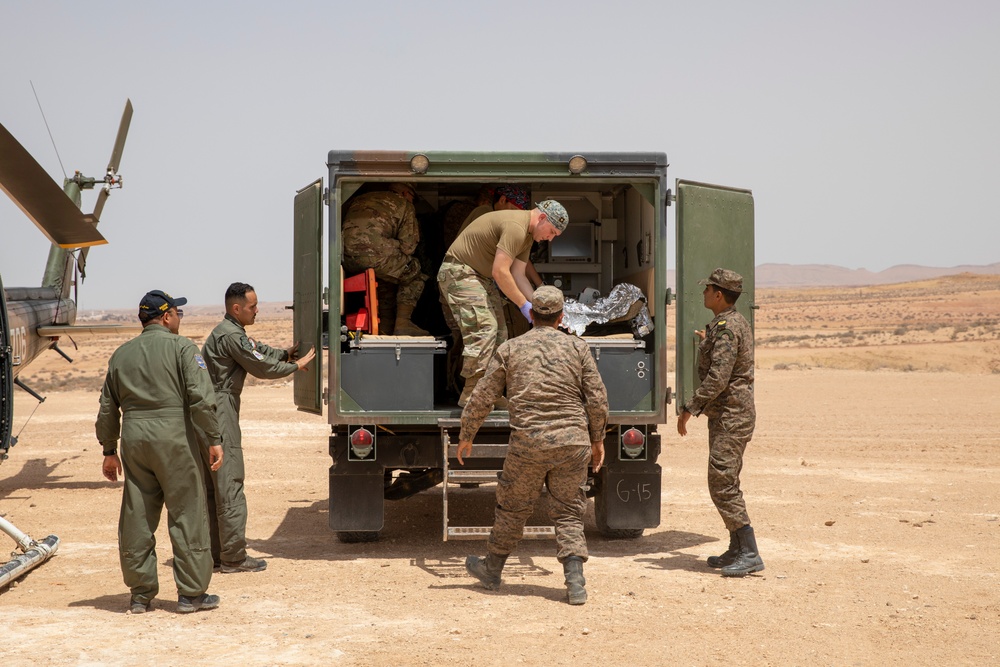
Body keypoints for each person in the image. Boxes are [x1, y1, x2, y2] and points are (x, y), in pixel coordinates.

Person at [457, 286, 608, 605]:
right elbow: (597, 397)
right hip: (572, 441)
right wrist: (597, 439)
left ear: (531, 315)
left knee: (513, 507)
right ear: (560, 317)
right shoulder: (577, 348)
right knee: (569, 510)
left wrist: (467, 434)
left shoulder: (510, 348)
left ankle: (491, 570)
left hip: (529, 443)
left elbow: (483, 395)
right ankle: (575, 581)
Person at [97, 290, 224, 614]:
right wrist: (213, 438)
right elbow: (200, 398)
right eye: (177, 313)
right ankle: (191, 594)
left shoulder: (122, 354)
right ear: (166, 316)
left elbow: (108, 408)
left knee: (136, 516)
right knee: (187, 514)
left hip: (135, 441)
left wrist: (109, 450)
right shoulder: (182, 347)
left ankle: (140, 595)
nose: (180, 318)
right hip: (174, 439)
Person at [201, 282, 315, 573]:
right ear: (236, 308)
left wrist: (284, 354)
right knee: (230, 484)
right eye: (252, 306)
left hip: (211, 410)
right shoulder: (230, 335)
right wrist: (295, 365)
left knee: (214, 489)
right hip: (221, 411)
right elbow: (260, 366)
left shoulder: (230, 332)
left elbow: (259, 351)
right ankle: (234, 558)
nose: (257, 310)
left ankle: (218, 554)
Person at [438, 199, 568, 406]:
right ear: (542, 218)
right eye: (551, 232)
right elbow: (500, 272)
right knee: (484, 328)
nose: (550, 239)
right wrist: (522, 305)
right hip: (460, 272)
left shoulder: (527, 236)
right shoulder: (516, 227)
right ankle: (472, 393)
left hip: (480, 277)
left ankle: (489, 391)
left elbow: (518, 275)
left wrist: (538, 308)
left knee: (501, 332)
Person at [676, 268, 764, 577]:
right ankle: (736, 548)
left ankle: (750, 552)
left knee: (722, 481)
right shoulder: (725, 326)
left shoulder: (728, 328)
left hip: (732, 415)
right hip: (728, 415)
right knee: (724, 479)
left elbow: (718, 378)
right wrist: (706, 340)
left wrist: (690, 407)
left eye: (707, 289)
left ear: (719, 295)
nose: (703, 293)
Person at [342, 182, 428, 335]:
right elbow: (409, 247)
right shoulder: (404, 205)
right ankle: (403, 324)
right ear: (405, 193)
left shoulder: (358, 199)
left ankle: (385, 328)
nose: (412, 201)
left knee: (386, 279)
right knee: (415, 272)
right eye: (413, 197)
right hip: (378, 257)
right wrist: (393, 244)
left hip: (348, 260)